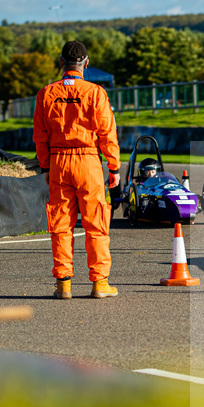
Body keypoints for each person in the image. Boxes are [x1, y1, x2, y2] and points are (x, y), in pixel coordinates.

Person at [33, 40, 121, 299]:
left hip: (59, 163)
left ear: (61, 62)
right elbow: (107, 133)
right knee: (96, 224)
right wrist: (114, 166)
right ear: (87, 63)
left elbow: (40, 136)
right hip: (89, 164)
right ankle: (100, 284)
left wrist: (46, 166)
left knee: (61, 225)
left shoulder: (46, 93)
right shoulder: (95, 92)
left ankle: (64, 285)